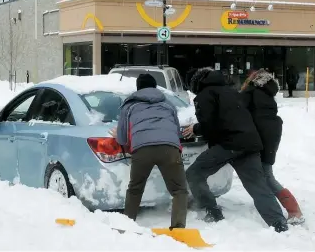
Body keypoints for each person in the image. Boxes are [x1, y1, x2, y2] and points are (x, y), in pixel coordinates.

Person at [182, 67, 288, 232]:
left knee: (194, 173)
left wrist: (196, 128)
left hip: (229, 144)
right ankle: (279, 224)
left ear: (196, 82)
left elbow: (210, 126)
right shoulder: (232, 92)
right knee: (258, 186)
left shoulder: (204, 96)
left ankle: (212, 211)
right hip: (250, 143)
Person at [110, 73, 188, 229]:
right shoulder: (168, 104)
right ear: (155, 87)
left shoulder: (130, 105)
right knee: (179, 190)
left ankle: (127, 224)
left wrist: (118, 136)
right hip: (169, 149)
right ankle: (179, 228)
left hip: (142, 151)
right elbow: (177, 131)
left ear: (138, 88)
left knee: (135, 189)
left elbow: (123, 138)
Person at [240, 69, 304, 224]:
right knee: (266, 173)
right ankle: (292, 209)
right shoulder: (266, 92)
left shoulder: (252, 92)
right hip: (271, 133)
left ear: (254, 79)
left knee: (266, 176)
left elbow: (239, 112)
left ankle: (294, 211)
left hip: (259, 133)